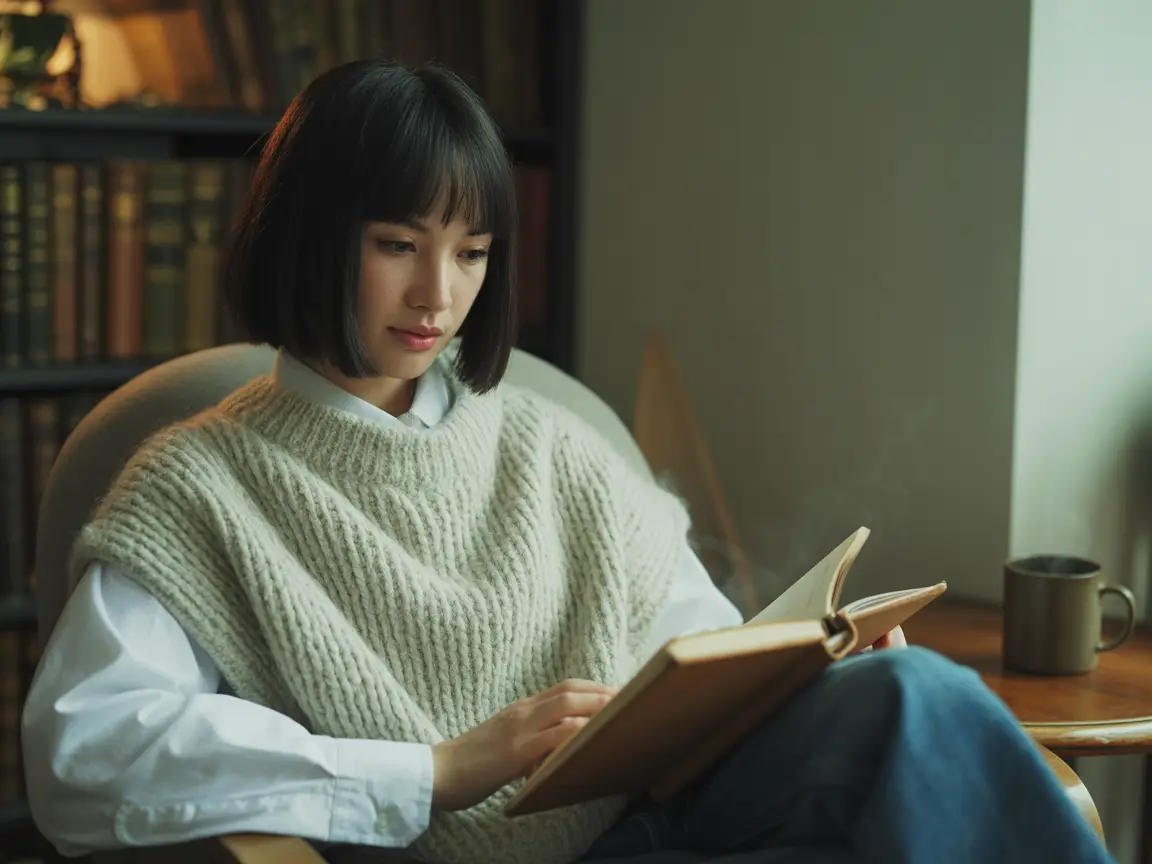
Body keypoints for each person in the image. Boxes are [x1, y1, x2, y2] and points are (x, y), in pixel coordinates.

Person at [21, 60, 1113, 864]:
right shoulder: (195, 487)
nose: (438, 296)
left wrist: (793, 668)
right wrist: (435, 771)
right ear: (311, 232)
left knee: (907, 693)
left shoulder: (551, 443)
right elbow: (88, 751)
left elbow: (689, 650)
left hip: (657, 822)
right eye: (399, 244)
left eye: (473, 252)